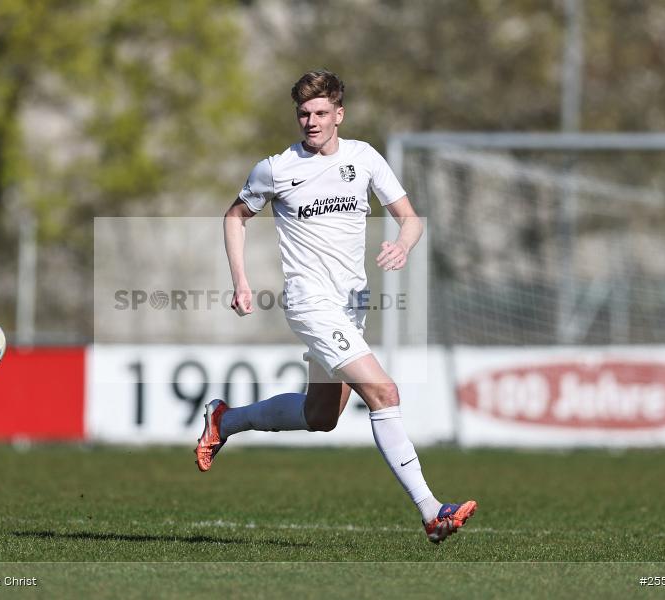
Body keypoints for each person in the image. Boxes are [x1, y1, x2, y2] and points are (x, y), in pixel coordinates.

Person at [194, 70, 476, 544]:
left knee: (321, 416)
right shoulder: (276, 168)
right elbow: (235, 216)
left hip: (352, 307)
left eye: (321, 112)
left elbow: (408, 219)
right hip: (309, 302)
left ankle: (226, 420)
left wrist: (404, 245)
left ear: (338, 114)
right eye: (304, 113)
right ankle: (432, 511)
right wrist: (240, 279)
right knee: (384, 393)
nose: (312, 121)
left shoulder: (363, 158)